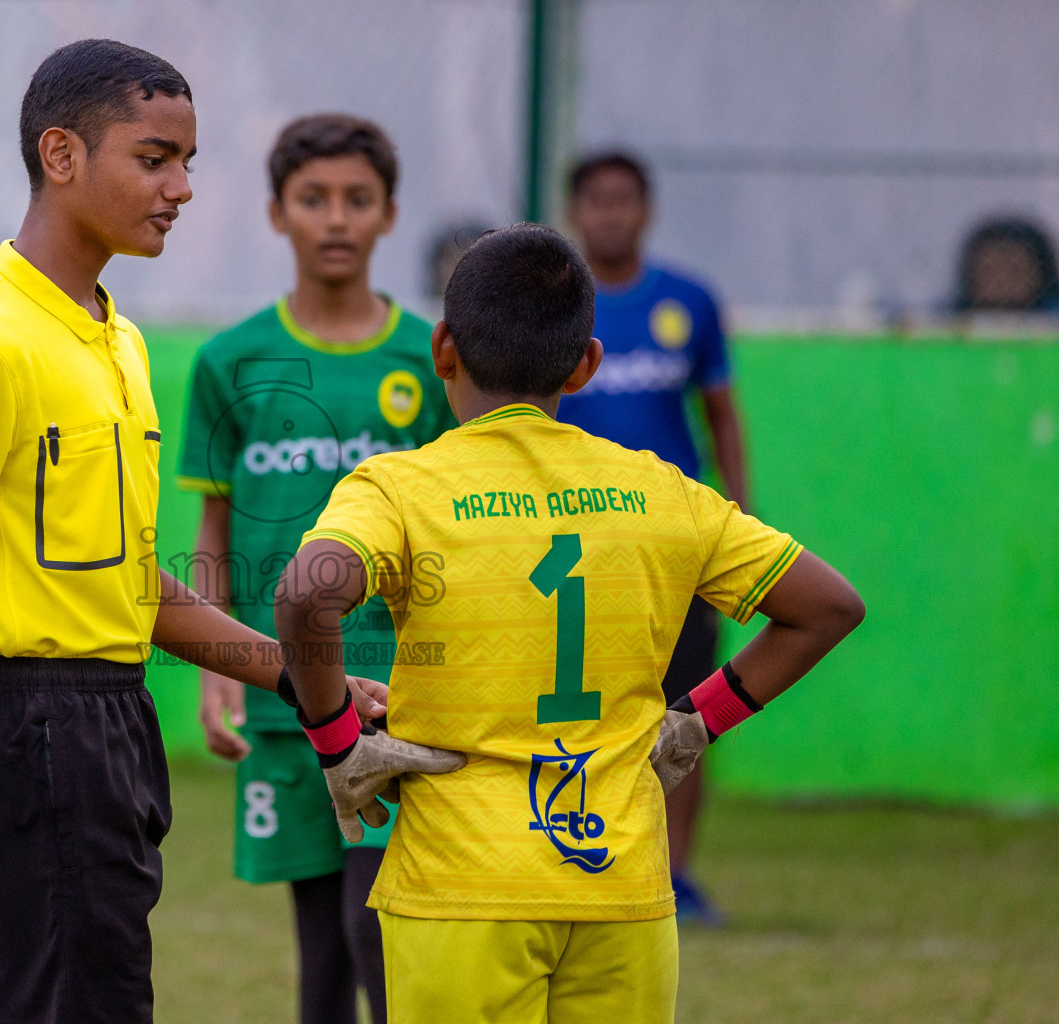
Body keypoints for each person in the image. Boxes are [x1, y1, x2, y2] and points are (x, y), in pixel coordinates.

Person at [0, 41, 441, 1023]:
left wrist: (302, 681)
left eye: (189, 162)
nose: (182, 188)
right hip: (25, 727)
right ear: (61, 154)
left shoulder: (115, 338)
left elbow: (132, 586)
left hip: (110, 723)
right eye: (155, 157)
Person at [274, 223, 864, 1023]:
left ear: (443, 348)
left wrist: (339, 745)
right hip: (619, 881)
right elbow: (828, 608)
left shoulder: (397, 487)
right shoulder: (662, 489)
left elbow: (307, 596)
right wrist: (695, 721)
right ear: (587, 363)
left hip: (459, 884)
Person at [177, 113, 454, 1024]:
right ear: (276, 214)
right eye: (314, 199)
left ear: (388, 216)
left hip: (397, 689)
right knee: (321, 944)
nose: (335, 219)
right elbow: (213, 526)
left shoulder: (433, 360)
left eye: (357, 200)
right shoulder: (230, 362)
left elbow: (457, 525)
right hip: (278, 688)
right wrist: (218, 676)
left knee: (372, 917)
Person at [556, 150, 747, 923]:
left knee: (687, 713)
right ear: (574, 212)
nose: (610, 213)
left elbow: (723, 417)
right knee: (578, 713)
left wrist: (740, 519)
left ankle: (676, 872)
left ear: (647, 209)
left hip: (677, 549)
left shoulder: (690, 303)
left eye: (624, 199)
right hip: (570, 554)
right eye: (595, 200)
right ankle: (580, 854)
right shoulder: (554, 306)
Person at [953, 217, 1059, 313]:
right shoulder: (945, 323)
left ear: (1041, 274)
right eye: (989, 271)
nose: (1001, 280)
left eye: (1013, 271)